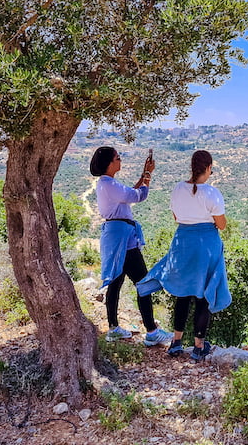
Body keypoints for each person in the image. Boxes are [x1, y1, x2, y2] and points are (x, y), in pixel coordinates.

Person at [137, 150, 231, 361]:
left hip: (183, 243)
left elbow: (176, 216)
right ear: (208, 168)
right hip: (207, 245)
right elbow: (222, 225)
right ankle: (198, 347)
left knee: (183, 293)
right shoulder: (213, 193)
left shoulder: (179, 189)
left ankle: (176, 342)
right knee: (203, 295)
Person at [89, 146, 172, 347]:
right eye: (117, 157)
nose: (120, 160)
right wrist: (148, 175)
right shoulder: (109, 184)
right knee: (144, 283)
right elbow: (138, 196)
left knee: (116, 284)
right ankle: (152, 332)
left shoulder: (106, 184)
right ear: (110, 163)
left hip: (115, 238)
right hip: (124, 241)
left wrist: (144, 175)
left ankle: (114, 328)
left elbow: (130, 193)